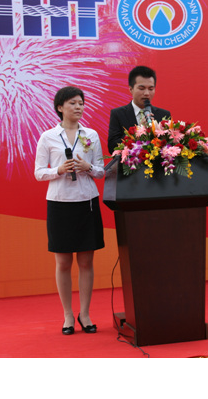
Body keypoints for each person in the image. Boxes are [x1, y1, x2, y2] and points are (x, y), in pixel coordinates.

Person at [35, 86, 105, 335]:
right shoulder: (48, 137)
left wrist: (88, 167)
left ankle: (84, 313)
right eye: (73, 103)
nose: (78, 107)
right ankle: (67, 315)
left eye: (81, 103)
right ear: (60, 107)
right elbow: (38, 173)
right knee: (63, 261)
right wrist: (59, 170)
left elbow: (101, 171)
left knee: (86, 260)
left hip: (87, 202)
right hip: (60, 203)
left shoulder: (91, 135)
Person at [107, 65, 171, 154]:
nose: (146, 93)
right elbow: (112, 148)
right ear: (131, 89)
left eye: (151, 89)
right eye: (141, 88)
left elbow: (169, 145)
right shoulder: (118, 114)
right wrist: (137, 131)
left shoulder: (163, 114)